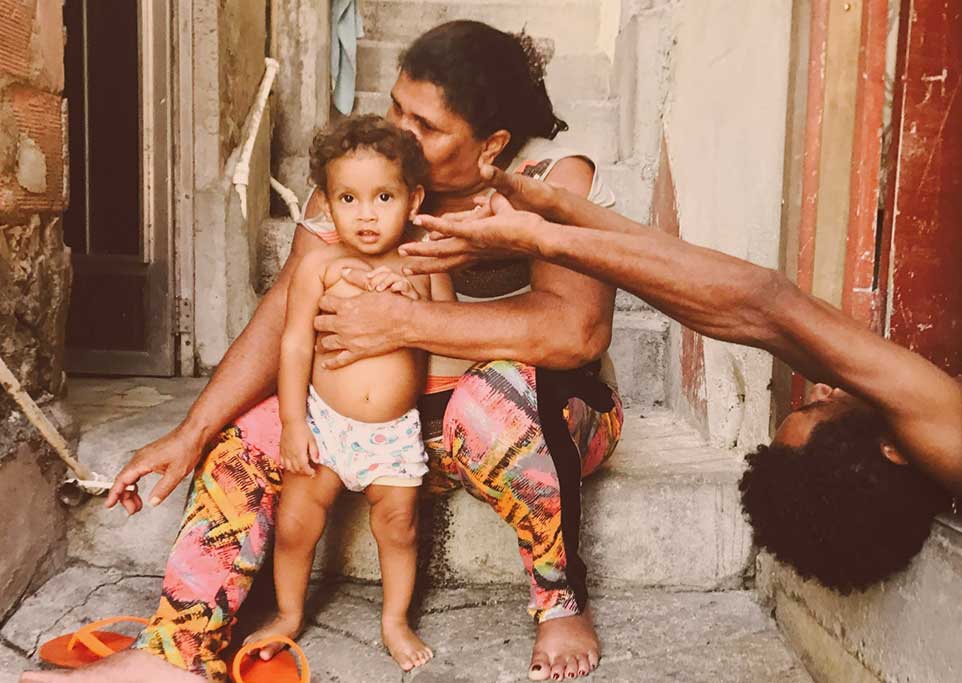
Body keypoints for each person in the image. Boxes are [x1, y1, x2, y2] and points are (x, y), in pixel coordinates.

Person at [21, 20, 622, 683]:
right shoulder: (362, 178)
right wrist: (191, 433)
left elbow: (576, 332)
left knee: (491, 402)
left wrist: (403, 320)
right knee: (246, 435)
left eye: (425, 122)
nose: (399, 129)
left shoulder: (550, 176)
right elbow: (285, 310)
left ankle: (560, 596)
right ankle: (177, 652)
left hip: (539, 424)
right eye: (396, 105)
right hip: (389, 425)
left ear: (493, 144)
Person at [402, 163, 962, 594]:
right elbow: (763, 306)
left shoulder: (954, 436)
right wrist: (549, 223)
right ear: (890, 452)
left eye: (816, 402)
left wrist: (550, 224)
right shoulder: (957, 435)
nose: (823, 387)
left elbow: (761, 314)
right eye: (820, 409)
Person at [242, 115, 451, 671]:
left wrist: (410, 298)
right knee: (296, 521)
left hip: (393, 432)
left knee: (399, 526)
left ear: (413, 199)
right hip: (325, 424)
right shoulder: (319, 264)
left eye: (384, 196)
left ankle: (394, 619)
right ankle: (289, 612)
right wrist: (293, 424)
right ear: (327, 204)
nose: (366, 213)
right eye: (348, 198)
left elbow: (451, 334)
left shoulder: (422, 261)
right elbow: (293, 346)